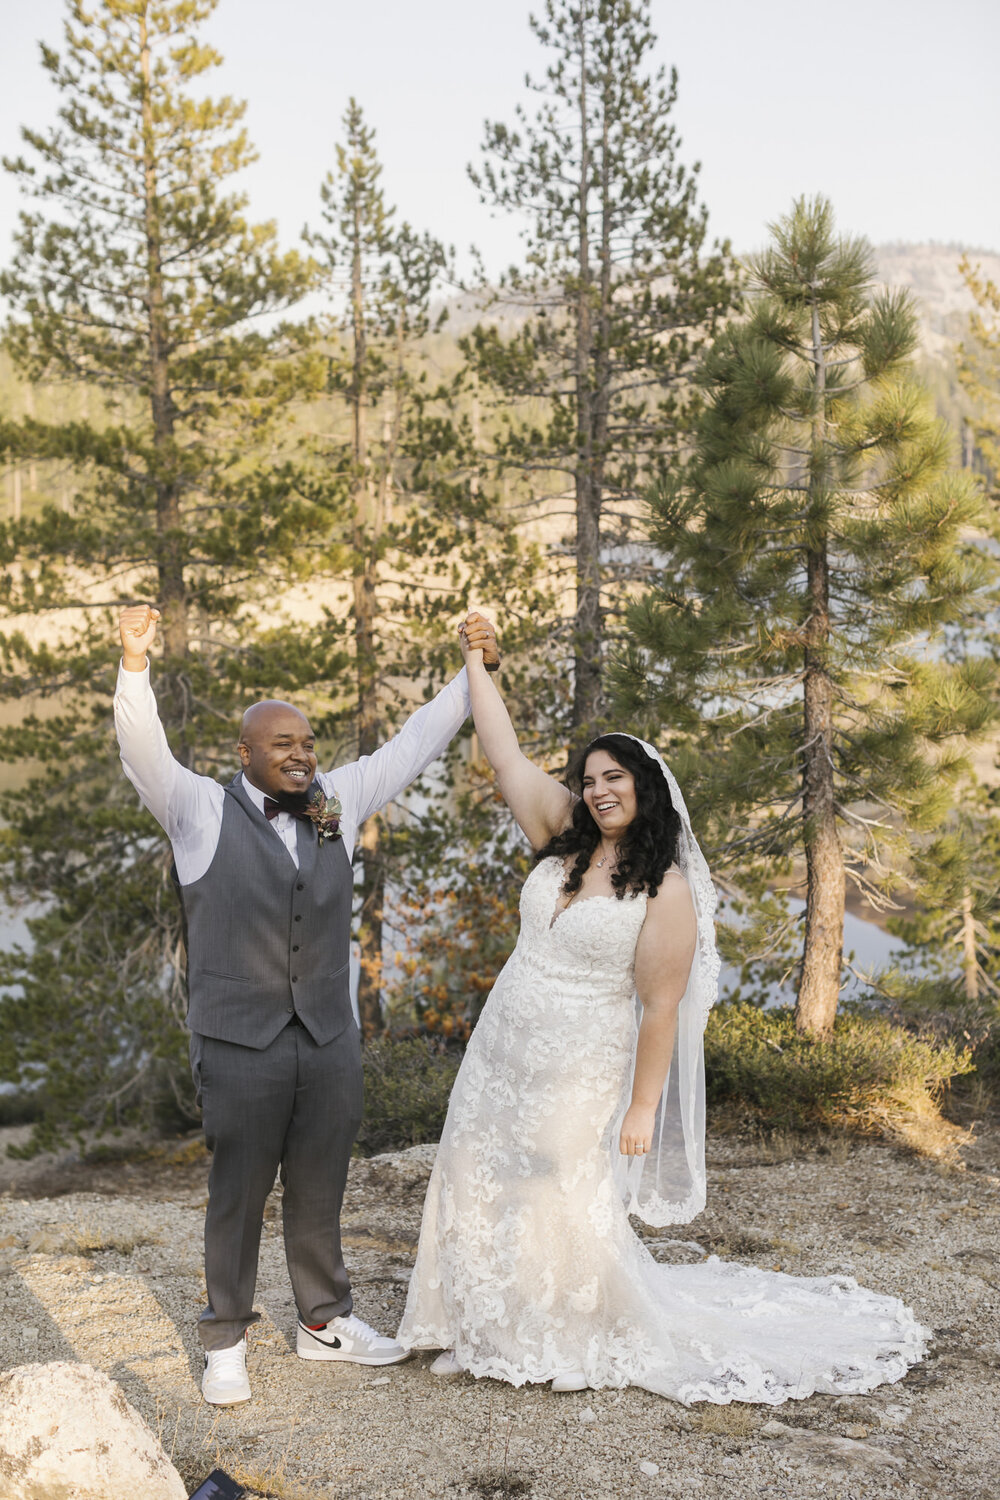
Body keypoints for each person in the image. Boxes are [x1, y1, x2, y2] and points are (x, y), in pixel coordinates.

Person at [397, 617, 928, 1401]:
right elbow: (503, 751)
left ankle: (548, 1332)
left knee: (557, 1189)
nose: (599, 790)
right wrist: (477, 659)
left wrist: (643, 1106)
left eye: (615, 777)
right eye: (590, 778)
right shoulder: (562, 837)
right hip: (505, 1042)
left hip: (583, 1055)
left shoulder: (665, 887)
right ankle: (476, 1325)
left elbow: (660, 1005)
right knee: (475, 1170)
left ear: (645, 786)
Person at [114, 603, 499, 1406]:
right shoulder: (197, 810)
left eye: (308, 743)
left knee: (322, 1183)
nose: (302, 755)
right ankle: (226, 1339)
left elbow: (414, 744)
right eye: (283, 744)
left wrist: (474, 674)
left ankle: (324, 1322)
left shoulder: (338, 799)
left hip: (328, 1033)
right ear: (245, 753)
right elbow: (144, 752)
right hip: (237, 1038)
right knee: (239, 1193)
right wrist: (135, 664)